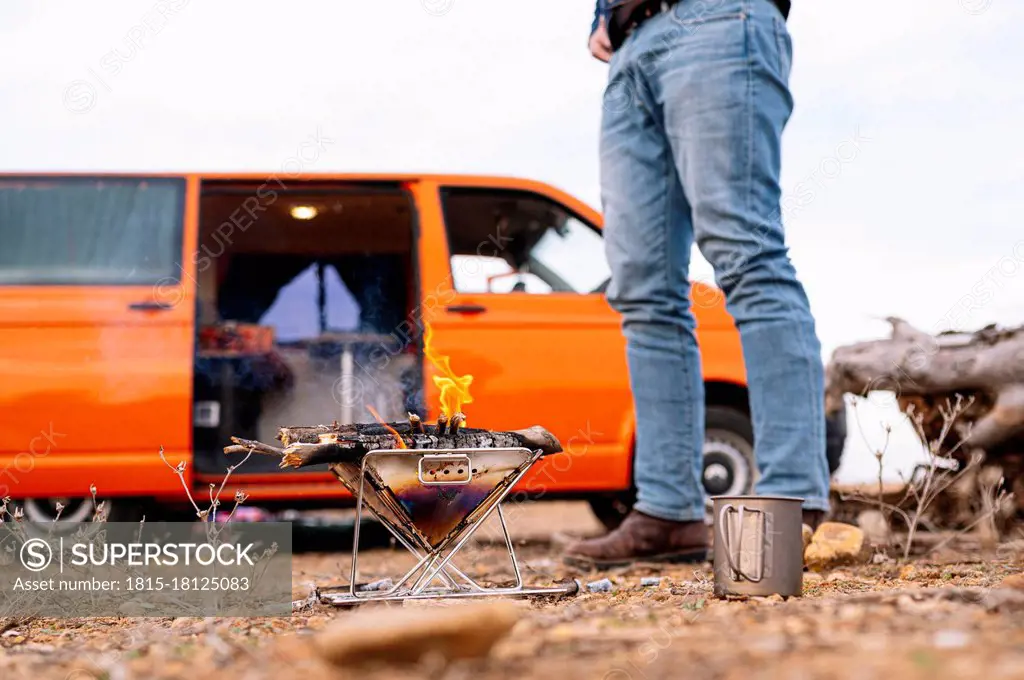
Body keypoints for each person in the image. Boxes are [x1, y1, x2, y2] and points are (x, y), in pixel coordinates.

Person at [565, 0, 831, 568]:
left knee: (746, 256)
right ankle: (667, 512)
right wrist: (602, 17)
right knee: (642, 291)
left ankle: (791, 506)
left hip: (718, 16)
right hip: (630, 46)